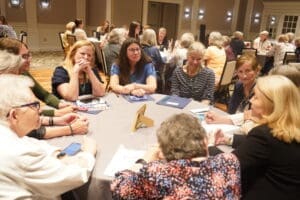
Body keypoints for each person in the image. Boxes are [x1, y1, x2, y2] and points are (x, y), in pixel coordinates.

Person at [0, 74, 97, 199]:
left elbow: (30, 142)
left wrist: (57, 154)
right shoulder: (20, 154)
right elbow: (73, 176)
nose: (40, 111)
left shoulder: (8, 134)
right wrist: (88, 152)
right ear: (14, 115)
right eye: (34, 105)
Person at [111, 113, 241, 199]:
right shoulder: (229, 162)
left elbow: (118, 189)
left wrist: (143, 160)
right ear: (205, 141)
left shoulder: (157, 173)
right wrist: (209, 145)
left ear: (162, 153)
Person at [218, 75, 300, 199]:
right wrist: (229, 139)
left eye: (256, 97)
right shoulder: (290, 129)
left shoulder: (264, 134)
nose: (251, 101)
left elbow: (225, 168)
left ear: (271, 104)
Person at [0, 48, 89, 139]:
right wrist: (70, 129)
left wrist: (56, 120)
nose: (29, 60)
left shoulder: (16, 77)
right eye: (24, 56)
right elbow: (25, 130)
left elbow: (40, 100)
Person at [0, 37, 76, 117]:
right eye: (24, 56)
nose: (30, 59)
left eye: (29, 54)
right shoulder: (4, 83)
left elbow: (45, 95)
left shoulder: (23, 73)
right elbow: (20, 114)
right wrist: (56, 113)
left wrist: (60, 104)